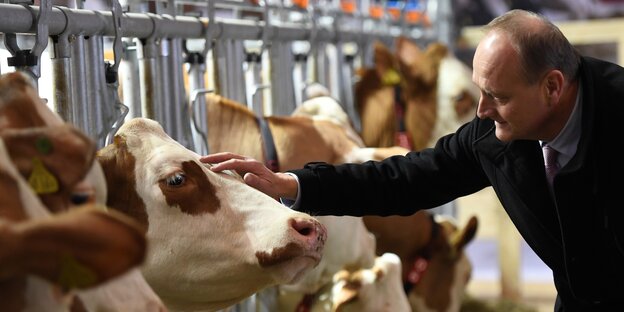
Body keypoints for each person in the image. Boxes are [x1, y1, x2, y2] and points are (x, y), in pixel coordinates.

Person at [201, 9, 624, 311]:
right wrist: (293, 185)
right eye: (479, 91)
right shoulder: (495, 136)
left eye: (498, 96)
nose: (481, 110)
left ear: (552, 86)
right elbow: (406, 178)